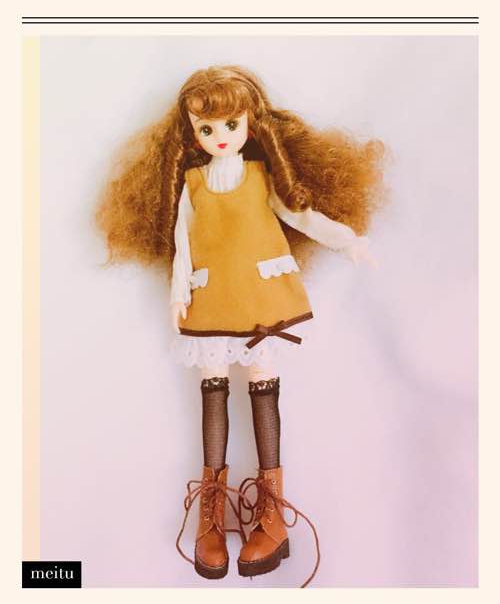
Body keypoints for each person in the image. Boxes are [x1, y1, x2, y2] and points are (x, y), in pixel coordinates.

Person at [96, 65, 385, 585]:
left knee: (262, 390)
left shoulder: (261, 177)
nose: (221, 137)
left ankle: (272, 510)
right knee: (213, 392)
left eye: (231, 125)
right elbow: (182, 244)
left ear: (252, 123)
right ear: (192, 133)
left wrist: (347, 240)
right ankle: (211, 508)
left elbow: (299, 215)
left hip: (259, 298)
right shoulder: (191, 184)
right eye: (207, 128)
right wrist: (177, 292)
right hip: (211, 301)